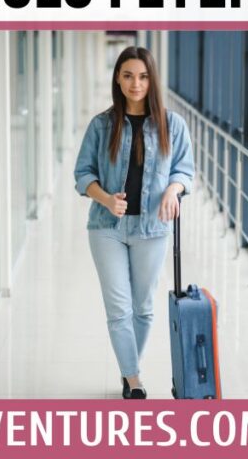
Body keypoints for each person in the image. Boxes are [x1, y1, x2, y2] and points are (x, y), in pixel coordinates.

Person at [74, 46, 194, 399]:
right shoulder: (102, 125)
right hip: (106, 229)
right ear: (117, 78)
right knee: (119, 308)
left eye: (142, 76)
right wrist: (107, 199)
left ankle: (129, 370)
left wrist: (174, 190)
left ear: (151, 79)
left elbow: (185, 170)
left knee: (143, 308)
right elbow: (82, 174)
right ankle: (134, 380)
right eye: (128, 75)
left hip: (152, 229)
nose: (135, 83)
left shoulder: (174, 124)